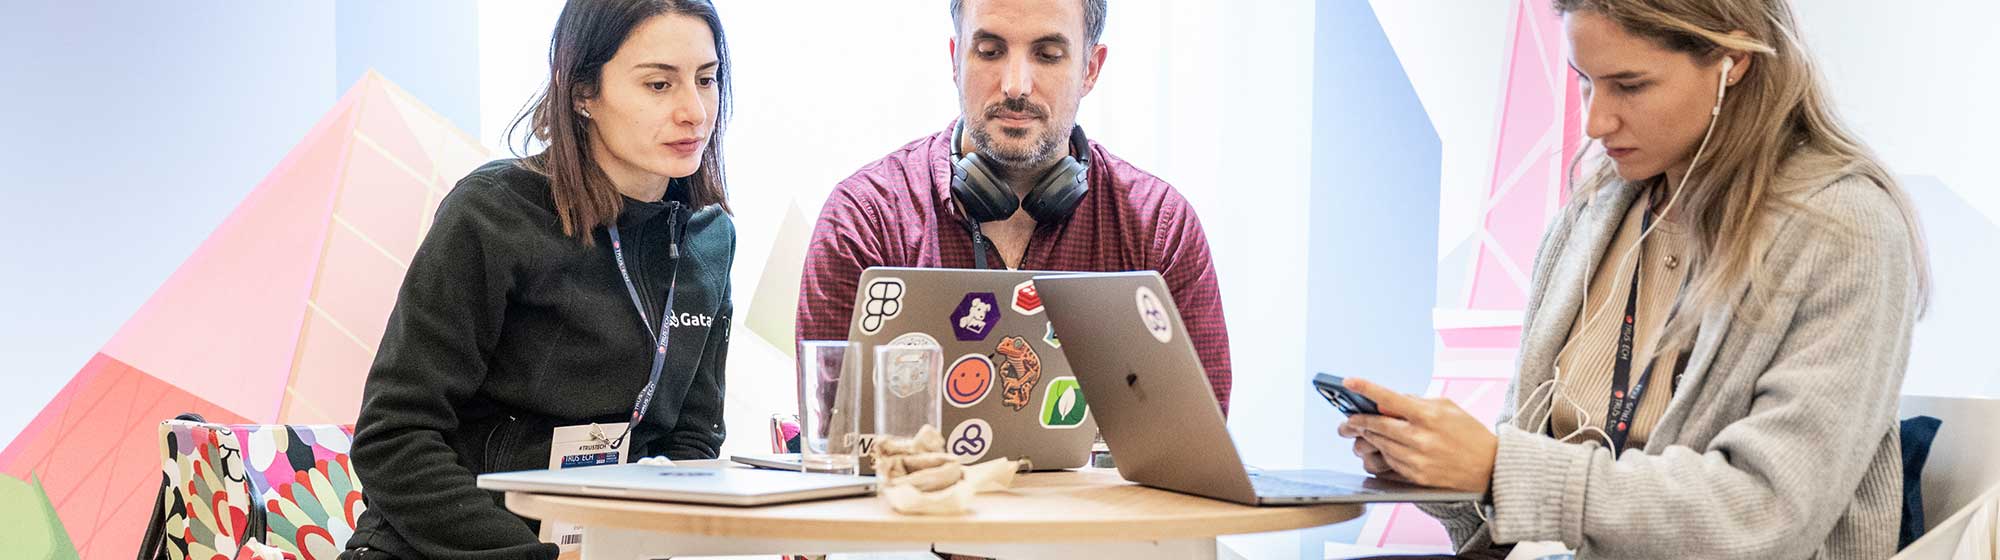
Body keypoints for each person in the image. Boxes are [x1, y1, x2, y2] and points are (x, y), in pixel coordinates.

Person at [1336, 0, 1929, 558]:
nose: (1596, 121)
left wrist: (1501, 469)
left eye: (1630, 85)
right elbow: (1526, 519)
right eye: (1584, 80)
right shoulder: (1592, 215)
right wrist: (1443, 473)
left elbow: (1765, 514)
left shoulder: (1843, 229)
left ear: (1734, 63)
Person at [343, 1, 736, 558]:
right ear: (582, 93)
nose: (695, 111)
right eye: (658, 85)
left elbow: (692, 441)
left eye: (706, 79)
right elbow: (395, 438)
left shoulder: (709, 237)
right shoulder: (493, 213)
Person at [794, 0, 1234, 412]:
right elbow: (834, 443)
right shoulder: (864, 218)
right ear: (955, 59)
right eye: (989, 51)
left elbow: (1191, 448)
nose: (1015, 86)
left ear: (1090, 69)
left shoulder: (1161, 227)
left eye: (1047, 54)